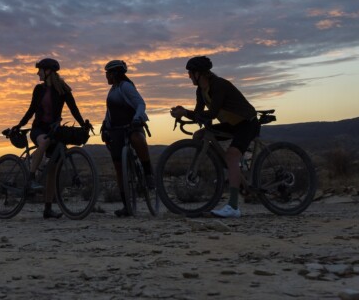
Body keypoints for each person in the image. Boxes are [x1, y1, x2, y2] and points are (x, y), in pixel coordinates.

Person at [170, 56, 260, 218]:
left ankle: (233, 207)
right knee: (199, 135)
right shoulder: (200, 90)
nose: (188, 76)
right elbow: (199, 114)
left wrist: (185, 112)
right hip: (232, 124)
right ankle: (226, 168)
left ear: (199, 73)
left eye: (190, 72)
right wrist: (183, 113)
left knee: (232, 156)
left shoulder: (219, 85)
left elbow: (211, 114)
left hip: (247, 123)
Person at [11, 58, 92, 219]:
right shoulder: (39, 89)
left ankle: (47, 209)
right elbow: (31, 110)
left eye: (39, 70)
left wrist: (83, 124)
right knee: (44, 141)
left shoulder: (62, 89)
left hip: (54, 130)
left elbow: (73, 108)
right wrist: (19, 125)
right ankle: (31, 178)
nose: (37, 73)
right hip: (39, 129)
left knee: (52, 171)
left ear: (47, 71)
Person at [100, 59, 153, 218]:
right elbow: (110, 111)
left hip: (132, 125)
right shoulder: (112, 90)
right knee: (118, 167)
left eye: (107, 73)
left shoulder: (126, 87)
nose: (106, 76)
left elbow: (140, 104)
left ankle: (148, 173)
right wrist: (105, 125)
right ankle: (126, 206)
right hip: (116, 129)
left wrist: (137, 118)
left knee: (137, 138)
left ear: (114, 74)